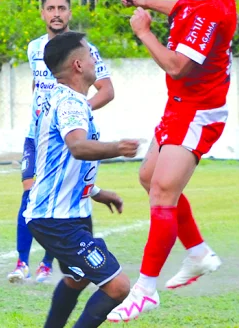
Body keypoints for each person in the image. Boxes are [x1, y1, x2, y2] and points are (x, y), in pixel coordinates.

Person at [106, 0, 237, 322]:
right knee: (149, 178)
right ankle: (197, 253)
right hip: (179, 105)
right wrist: (146, 1)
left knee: (163, 192)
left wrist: (144, 30)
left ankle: (145, 290)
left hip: (200, 110)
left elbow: (178, 65)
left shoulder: (214, 10)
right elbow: (182, 6)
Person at [24, 31, 138, 328]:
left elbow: (58, 161)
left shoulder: (63, 99)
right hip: (56, 219)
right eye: (90, 55)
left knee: (77, 278)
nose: (94, 61)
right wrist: (118, 148)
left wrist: (96, 192)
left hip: (67, 214)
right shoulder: (72, 104)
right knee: (118, 287)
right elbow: (77, 147)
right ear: (77, 65)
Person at [8, 0, 114, 284]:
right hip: (36, 137)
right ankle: (21, 263)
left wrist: (73, 113)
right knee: (30, 193)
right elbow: (38, 84)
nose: (56, 13)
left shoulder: (86, 50)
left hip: (66, 136)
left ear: (70, 13)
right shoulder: (34, 48)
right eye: (51, 8)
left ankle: (47, 264)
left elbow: (107, 90)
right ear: (43, 13)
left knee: (58, 199)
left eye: (62, 8)